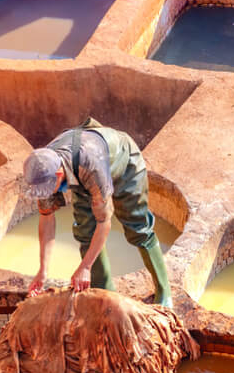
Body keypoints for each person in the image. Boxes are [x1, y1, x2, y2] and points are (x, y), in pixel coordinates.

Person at [21, 117, 172, 306]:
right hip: (81, 175)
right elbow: (47, 219)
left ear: (59, 175)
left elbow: (104, 223)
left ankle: (164, 291)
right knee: (85, 231)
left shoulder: (90, 166)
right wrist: (43, 271)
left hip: (123, 165)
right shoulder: (42, 168)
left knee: (137, 227)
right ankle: (106, 296)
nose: (45, 194)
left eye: (49, 189)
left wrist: (85, 267)